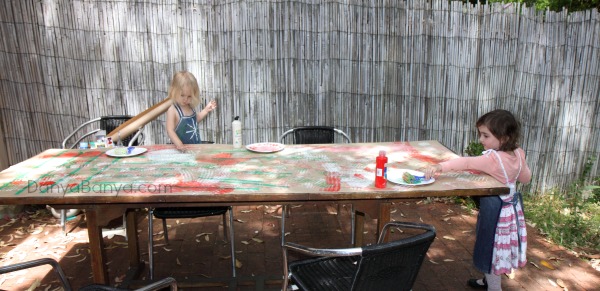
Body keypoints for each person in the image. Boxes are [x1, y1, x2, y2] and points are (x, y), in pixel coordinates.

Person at [424, 109, 531, 291]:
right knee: (500, 246)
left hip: (495, 209)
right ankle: (488, 281)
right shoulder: (518, 153)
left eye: (485, 135)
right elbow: (525, 178)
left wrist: (440, 166)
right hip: (511, 209)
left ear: (503, 138)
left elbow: (465, 163)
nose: (481, 139)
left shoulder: (492, 159)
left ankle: (494, 287)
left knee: (490, 246)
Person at [165, 71, 217, 151]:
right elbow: (170, 130)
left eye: (189, 96)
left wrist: (206, 110)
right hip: (181, 151)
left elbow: (194, 120)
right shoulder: (173, 110)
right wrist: (180, 145)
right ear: (174, 91)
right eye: (182, 95)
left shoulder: (189, 107)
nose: (185, 99)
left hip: (195, 148)